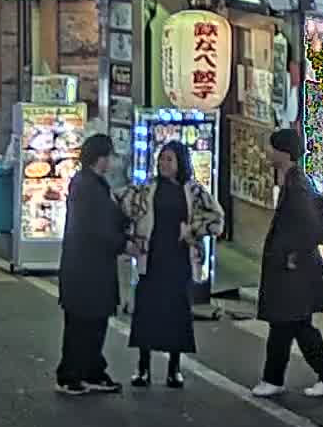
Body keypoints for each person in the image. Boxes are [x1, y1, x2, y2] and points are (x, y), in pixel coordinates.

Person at [252, 128, 323, 399]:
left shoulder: (296, 186)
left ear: (283, 152)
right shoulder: (294, 182)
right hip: (293, 271)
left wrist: (291, 256)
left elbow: (308, 226)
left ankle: (322, 375)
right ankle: (284, 378)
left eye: (271, 148)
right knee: (289, 325)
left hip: (293, 271)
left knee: (290, 324)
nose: (268, 152)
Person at [121, 140, 224, 388]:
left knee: (177, 313)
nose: (163, 164)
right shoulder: (147, 188)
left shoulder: (193, 190)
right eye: (161, 159)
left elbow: (217, 218)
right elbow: (126, 208)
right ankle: (142, 367)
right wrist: (131, 240)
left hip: (179, 259)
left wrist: (192, 230)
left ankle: (174, 368)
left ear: (180, 163)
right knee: (146, 311)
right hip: (151, 257)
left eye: (169, 159)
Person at [57, 133, 134, 395]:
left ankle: (90, 370)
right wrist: (124, 243)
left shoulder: (90, 183)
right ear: (100, 158)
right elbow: (97, 228)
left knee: (92, 322)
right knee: (83, 324)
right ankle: (73, 374)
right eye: (109, 156)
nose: (112, 162)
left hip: (89, 267)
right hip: (87, 268)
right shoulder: (87, 187)